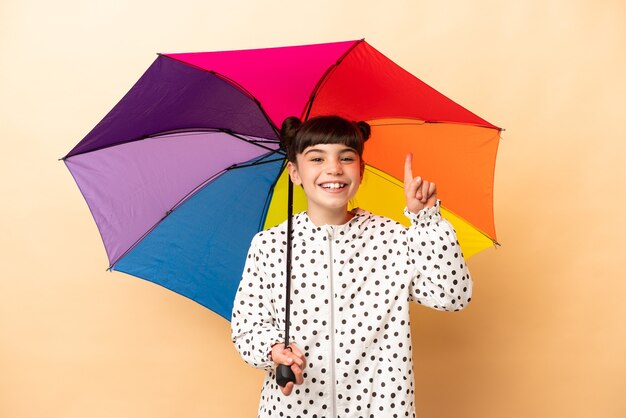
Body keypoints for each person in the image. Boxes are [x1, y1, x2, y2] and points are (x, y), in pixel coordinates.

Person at [231, 115, 472, 418]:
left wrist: (427, 219)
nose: (333, 168)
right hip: (294, 410)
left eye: (346, 157)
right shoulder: (270, 245)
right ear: (294, 172)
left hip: (380, 409)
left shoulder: (392, 238)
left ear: (361, 170)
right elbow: (247, 328)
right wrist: (273, 349)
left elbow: (452, 295)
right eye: (316, 158)